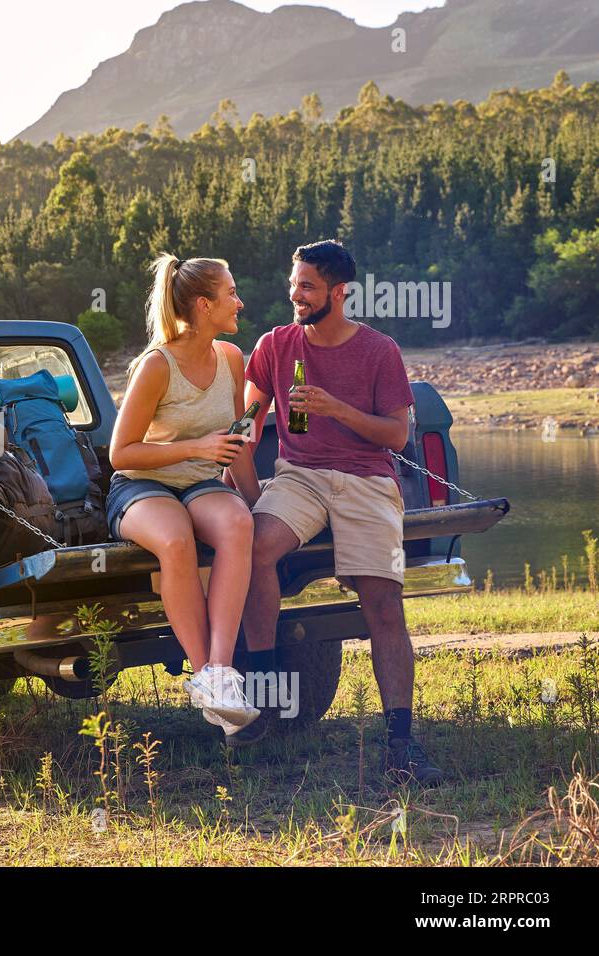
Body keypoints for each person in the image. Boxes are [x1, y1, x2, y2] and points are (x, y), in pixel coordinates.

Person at [228, 239, 442, 785]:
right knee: (256, 548)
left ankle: (400, 741)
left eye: (308, 287)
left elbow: (397, 434)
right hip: (299, 478)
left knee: (383, 603)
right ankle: (264, 691)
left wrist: (335, 408)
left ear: (340, 292)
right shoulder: (275, 345)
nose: (295, 296)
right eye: (293, 284)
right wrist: (249, 495)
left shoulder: (379, 351)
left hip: (367, 480)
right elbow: (246, 427)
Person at [108, 254, 262, 735]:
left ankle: (221, 672)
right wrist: (196, 446)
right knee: (175, 540)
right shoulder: (156, 365)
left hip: (199, 483)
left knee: (239, 524)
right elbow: (120, 453)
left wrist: (255, 500)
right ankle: (203, 677)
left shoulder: (231, 359)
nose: (240, 302)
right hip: (141, 484)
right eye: (231, 294)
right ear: (203, 304)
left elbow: (233, 440)